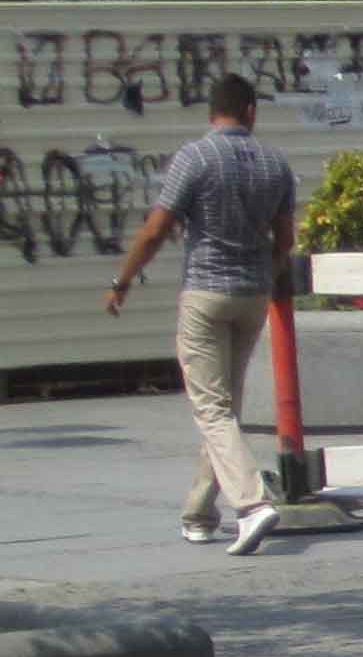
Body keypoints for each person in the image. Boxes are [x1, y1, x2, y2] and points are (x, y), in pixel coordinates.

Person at [102, 72, 294, 555]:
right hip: (252, 296)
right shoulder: (276, 163)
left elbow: (156, 229)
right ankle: (199, 514)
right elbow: (285, 240)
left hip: (205, 295)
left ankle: (251, 504)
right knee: (225, 408)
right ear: (251, 111)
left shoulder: (195, 157)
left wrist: (122, 281)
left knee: (210, 409)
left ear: (212, 112)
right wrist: (265, 277)